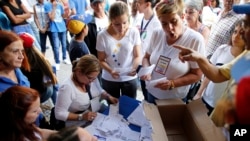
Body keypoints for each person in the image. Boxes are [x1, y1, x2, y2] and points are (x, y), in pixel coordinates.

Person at [172, 2, 250, 126]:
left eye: (246, 25)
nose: (241, 33)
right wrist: (199, 57)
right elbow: (218, 73)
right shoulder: (246, 55)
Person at [140, 0, 205, 103]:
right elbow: (146, 57)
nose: (169, 28)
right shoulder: (157, 33)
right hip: (152, 92)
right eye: (164, 24)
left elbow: (197, 74)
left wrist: (173, 83)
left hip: (174, 99)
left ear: (182, 17)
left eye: (174, 21)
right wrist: (147, 70)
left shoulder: (195, 40)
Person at [192, 19, 245, 115]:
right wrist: (199, 93)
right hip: (206, 99)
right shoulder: (222, 49)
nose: (236, 36)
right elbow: (209, 73)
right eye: (235, 32)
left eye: (241, 34)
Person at [55, 54, 118, 127]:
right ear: (78, 72)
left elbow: (99, 90)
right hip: (77, 123)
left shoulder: (92, 78)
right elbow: (59, 114)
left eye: (94, 78)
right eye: (90, 78)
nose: (92, 81)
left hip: (94, 114)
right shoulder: (67, 88)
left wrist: (108, 96)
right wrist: (81, 116)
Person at [96, 1, 141, 99]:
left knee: (130, 107)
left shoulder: (134, 32)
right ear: (111, 20)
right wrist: (111, 71)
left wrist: (134, 68)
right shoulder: (102, 36)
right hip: (109, 78)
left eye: (125, 23)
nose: (122, 28)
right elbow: (101, 60)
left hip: (129, 78)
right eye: (117, 24)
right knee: (113, 108)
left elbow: (137, 55)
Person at [18, 32, 58, 104]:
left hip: (40, 95)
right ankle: (56, 103)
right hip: (49, 89)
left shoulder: (24, 65)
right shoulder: (40, 58)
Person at [136, 0, 161, 101]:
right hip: (141, 61)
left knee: (149, 93)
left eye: (139, 3)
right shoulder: (140, 18)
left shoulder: (157, 23)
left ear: (147, 4)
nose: (136, 5)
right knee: (144, 92)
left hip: (150, 65)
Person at [44, 0, 71, 71]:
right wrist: (54, 7)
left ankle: (65, 58)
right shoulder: (47, 5)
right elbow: (52, 18)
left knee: (64, 45)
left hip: (63, 28)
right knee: (56, 46)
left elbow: (63, 16)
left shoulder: (60, 5)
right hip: (54, 29)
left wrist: (67, 13)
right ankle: (57, 62)